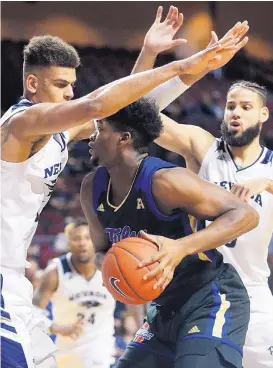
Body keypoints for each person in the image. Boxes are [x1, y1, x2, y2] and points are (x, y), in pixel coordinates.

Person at [0, 30, 229, 367]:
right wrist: (177, 66)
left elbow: (127, 111)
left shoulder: (59, 131)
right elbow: (96, 104)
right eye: (61, 85)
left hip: (14, 281)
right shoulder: (21, 124)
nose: (70, 93)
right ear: (32, 84)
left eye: (72, 85)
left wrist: (174, 63)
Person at [131, 8, 273, 367]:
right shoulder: (202, 146)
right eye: (230, 106)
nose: (235, 113)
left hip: (253, 297)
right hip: (198, 290)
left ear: (263, 115)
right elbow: (135, 111)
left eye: (245, 106)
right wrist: (191, 70)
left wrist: (267, 181)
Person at [80, 97, 259, 367]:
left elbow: (246, 214)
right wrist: (113, 268)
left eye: (100, 128)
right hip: (161, 311)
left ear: (123, 138)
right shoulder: (91, 188)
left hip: (209, 298)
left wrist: (180, 247)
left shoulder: (166, 181)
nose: (91, 137)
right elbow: (101, 252)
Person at [32, 217, 116, 368]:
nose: (82, 242)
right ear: (68, 243)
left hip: (101, 353)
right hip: (66, 355)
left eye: (87, 238)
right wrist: (57, 328)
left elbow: (133, 302)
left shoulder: (111, 268)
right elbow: (32, 314)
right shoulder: (55, 272)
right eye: (77, 238)